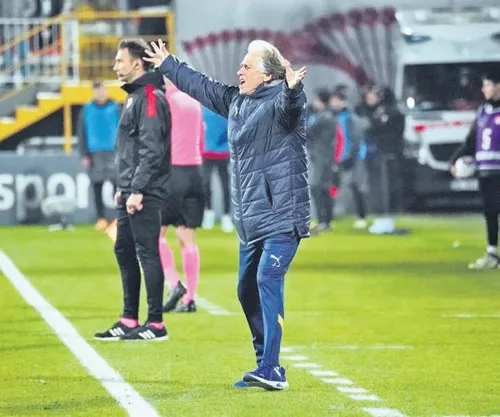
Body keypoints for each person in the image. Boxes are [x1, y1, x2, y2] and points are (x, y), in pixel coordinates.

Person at [145, 38, 309, 390]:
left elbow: (291, 107)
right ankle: (265, 364)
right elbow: (200, 86)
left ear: (267, 75)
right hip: (251, 220)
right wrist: (168, 64)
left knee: (267, 279)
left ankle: (272, 369)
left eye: (247, 66)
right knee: (245, 290)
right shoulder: (236, 102)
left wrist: (293, 89)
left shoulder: (282, 101)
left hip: (282, 215)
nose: (239, 71)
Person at [94, 38, 171, 341]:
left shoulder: (149, 96)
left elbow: (151, 150)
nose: (115, 66)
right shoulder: (136, 96)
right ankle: (129, 319)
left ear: (137, 64)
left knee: (146, 252)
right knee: (123, 249)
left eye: (119, 61)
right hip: (130, 188)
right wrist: (123, 187)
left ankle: (156, 323)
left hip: (145, 190)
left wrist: (137, 189)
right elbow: (131, 149)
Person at [160, 77, 205, 314]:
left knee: (155, 234)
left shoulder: (165, 101)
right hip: (195, 171)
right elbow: (201, 138)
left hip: (172, 171)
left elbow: (158, 138)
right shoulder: (194, 101)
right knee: (187, 238)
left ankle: (174, 284)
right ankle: (190, 299)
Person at [450, 73, 500, 269]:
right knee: (490, 212)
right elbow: (471, 141)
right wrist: (454, 160)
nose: (484, 89)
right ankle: (492, 253)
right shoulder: (482, 112)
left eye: (487, 85)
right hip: (486, 171)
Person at [78, 81, 120, 231]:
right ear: (93, 92)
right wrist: (84, 154)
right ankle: (101, 218)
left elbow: (124, 128)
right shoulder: (87, 109)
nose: (100, 93)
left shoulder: (115, 107)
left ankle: (118, 217)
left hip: (113, 151)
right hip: (94, 152)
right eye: (97, 91)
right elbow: (81, 132)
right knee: (97, 186)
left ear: (106, 91)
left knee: (117, 185)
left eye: (102, 90)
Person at [330, 88, 369, 228]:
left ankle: (362, 216)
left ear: (343, 101)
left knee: (355, 185)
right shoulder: (330, 116)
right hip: (336, 157)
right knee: (332, 186)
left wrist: (351, 155)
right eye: (333, 100)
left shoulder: (350, 117)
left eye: (337, 100)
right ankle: (328, 217)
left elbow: (355, 138)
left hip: (353, 157)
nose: (334, 103)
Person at [306, 88, 336, 234]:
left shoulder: (324, 118)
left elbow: (308, 132)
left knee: (316, 186)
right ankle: (326, 221)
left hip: (322, 157)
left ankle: (323, 221)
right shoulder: (325, 116)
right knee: (323, 188)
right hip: (323, 156)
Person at [201, 106, 233, 233]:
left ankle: (226, 216)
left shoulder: (224, 109)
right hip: (206, 153)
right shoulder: (203, 109)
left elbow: (230, 130)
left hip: (223, 154)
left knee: (225, 186)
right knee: (205, 183)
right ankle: (208, 213)